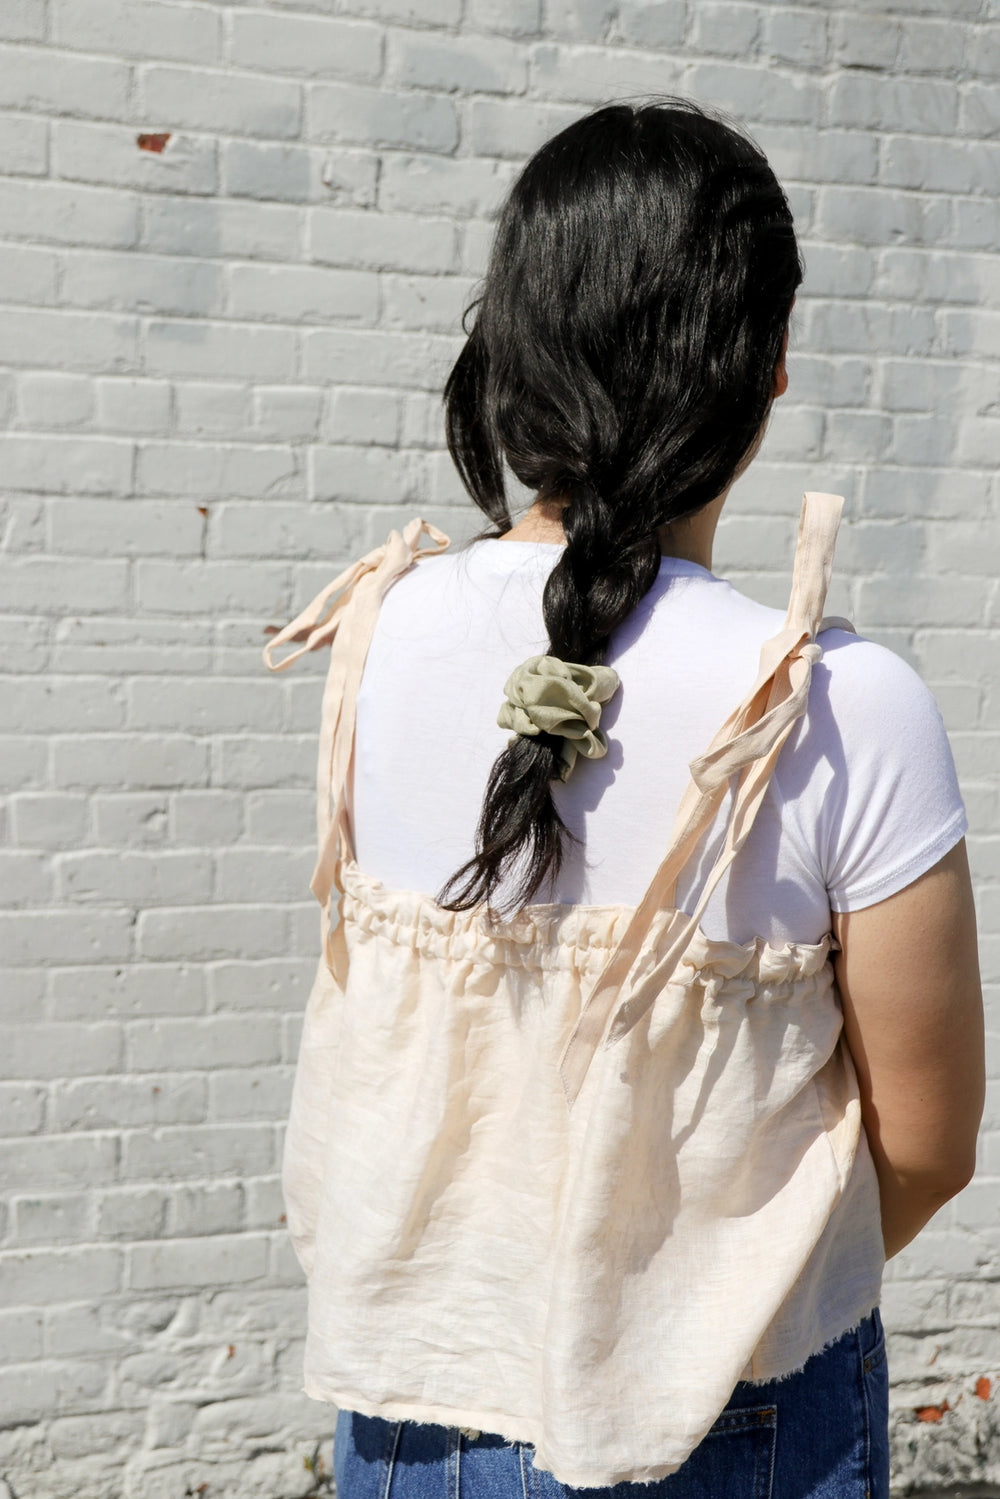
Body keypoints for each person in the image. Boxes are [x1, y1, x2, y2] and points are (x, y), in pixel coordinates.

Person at [264, 99, 984, 1499]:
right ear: (767, 366)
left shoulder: (377, 627)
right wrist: (697, 1309)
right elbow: (929, 1144)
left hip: (414, 1403)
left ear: (512, 342)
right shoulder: (842, 704)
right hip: (745, 1411)